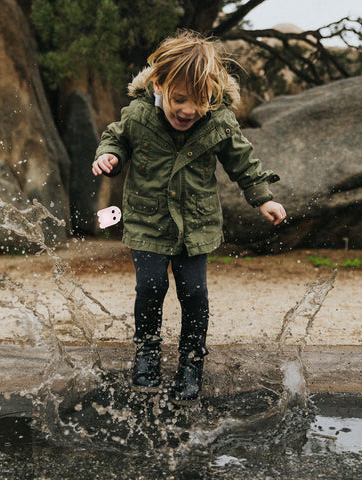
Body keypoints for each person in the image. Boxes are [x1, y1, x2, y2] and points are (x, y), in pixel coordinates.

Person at [92, 30, 286, 406]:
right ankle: (146, 354)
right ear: (160, 83)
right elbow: (114, 138)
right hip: (148, 221)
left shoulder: (218, 122)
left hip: (195, 225)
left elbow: (242, 162)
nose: (188, 110)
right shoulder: (138, 116)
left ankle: (191, 364)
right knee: (150, 287)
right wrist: (109, 156)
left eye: (200, 101)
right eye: (180, 99)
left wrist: (263, 197)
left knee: (194, 294)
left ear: (212, 94)